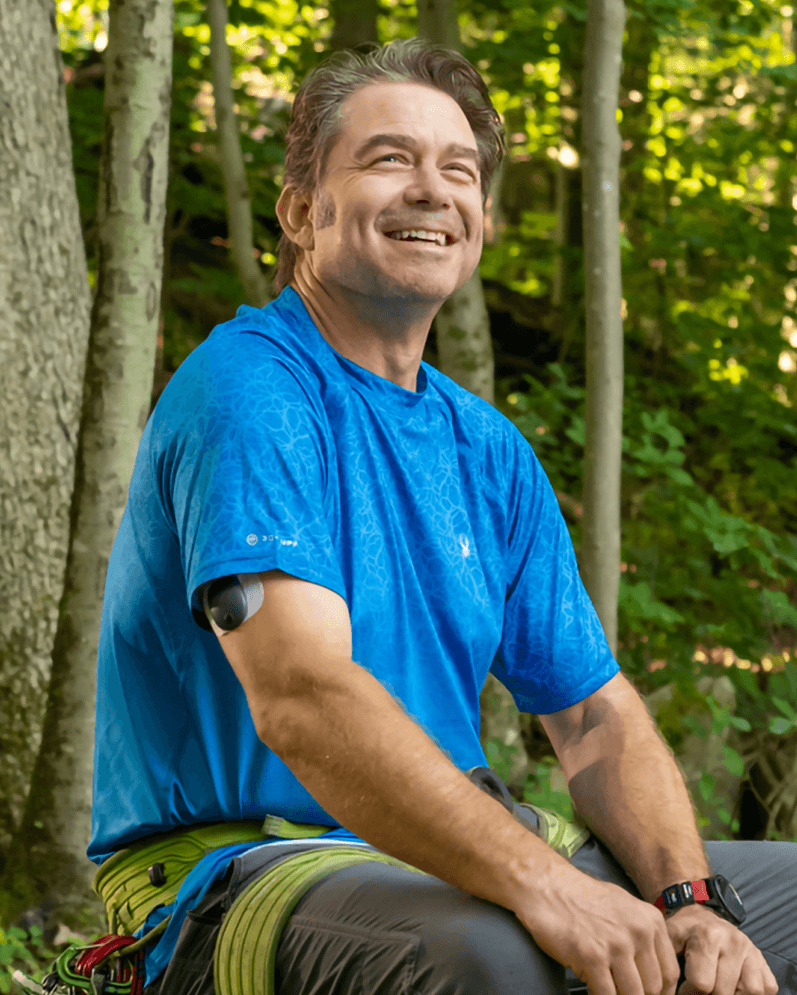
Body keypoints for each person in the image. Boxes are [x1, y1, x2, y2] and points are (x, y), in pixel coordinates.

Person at [88, 36, 797, 995]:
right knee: (492, 958)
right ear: (301, 210)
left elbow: (590, 714)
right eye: (389, 159)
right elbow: (303, 694)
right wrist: (549, 885)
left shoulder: (486, 446)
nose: (432, 189)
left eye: (457, 170)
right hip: (233, 866)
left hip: (455, 849)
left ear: (479, 218)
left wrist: (689, 901)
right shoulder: (251, 390)